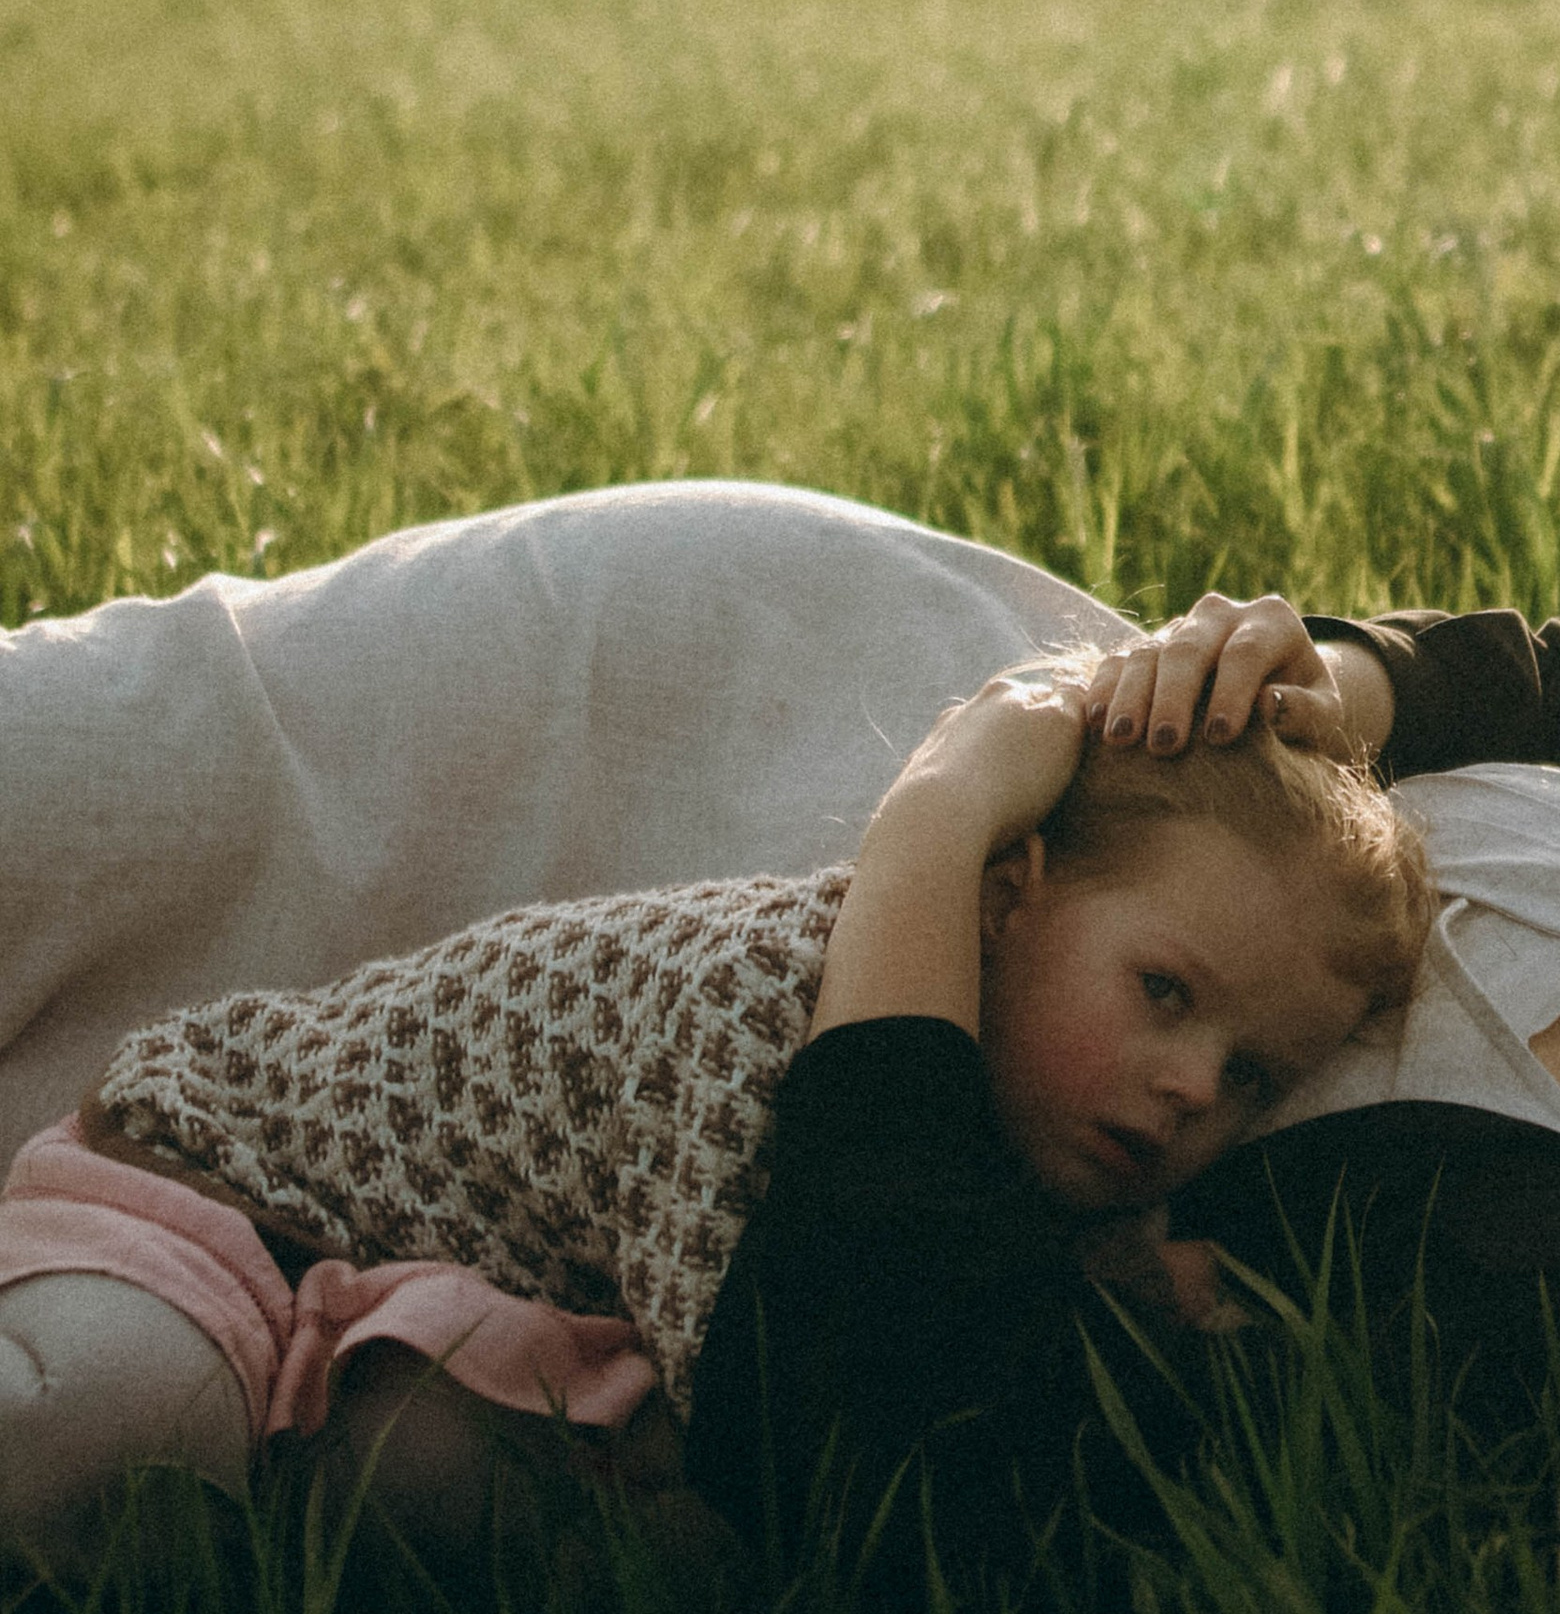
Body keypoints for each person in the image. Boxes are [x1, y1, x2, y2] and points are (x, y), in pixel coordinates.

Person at [0, 490, 1560, 1573]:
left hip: (756, 983)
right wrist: (1340, 679)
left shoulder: (1499, 1341)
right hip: (801, 654)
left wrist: (925, 843)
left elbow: (879, 1427)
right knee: (117, 750)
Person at [12, 658, 1429, 1557]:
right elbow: (794, 1393)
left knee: (467, 1500)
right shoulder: (770, 1002)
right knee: (112, 1414)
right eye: (1165, 991)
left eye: (1250, 1075)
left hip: (432, 1307)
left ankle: (286, 1511)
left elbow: (932, 1269)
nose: (1192, 1085)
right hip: (210, 1200)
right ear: (1009, 896)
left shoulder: (1031, 1110)